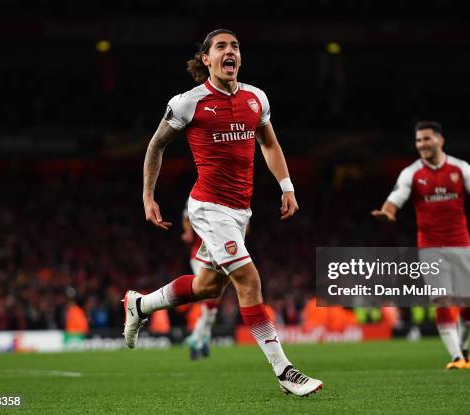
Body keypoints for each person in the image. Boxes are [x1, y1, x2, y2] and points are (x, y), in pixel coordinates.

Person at [123, 28, 322, 396]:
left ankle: (141, 304)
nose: (229, 51)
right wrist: (147, 196)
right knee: (249, 280)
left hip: (239, 212)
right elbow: (155, 147)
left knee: (208, 286)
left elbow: (270, 144)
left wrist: (287, 186)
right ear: (206, 59)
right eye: (221, 47)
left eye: (235, 46)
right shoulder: (188, 102)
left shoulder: (255, 98)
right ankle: (285, 372)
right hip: (208, 208)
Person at [371, 120, 470, 370]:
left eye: (427, 139)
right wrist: (387, 213)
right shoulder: (411, 173)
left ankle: (464, 348)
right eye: (418, 140)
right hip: (429, 246)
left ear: (440, 139)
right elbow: (394, 201)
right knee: (442, 299)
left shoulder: (460, 168)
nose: (422, 144)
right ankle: (456, 357)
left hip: (461, 243)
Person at [181, 202, 218, 360]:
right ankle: (196, 339)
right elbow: (185, 216)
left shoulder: (231, 193)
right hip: (200, 256)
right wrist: (188, 231)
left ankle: (203, 339)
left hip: (220, 256)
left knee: (213, 303)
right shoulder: (199, 193)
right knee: (209, 298)